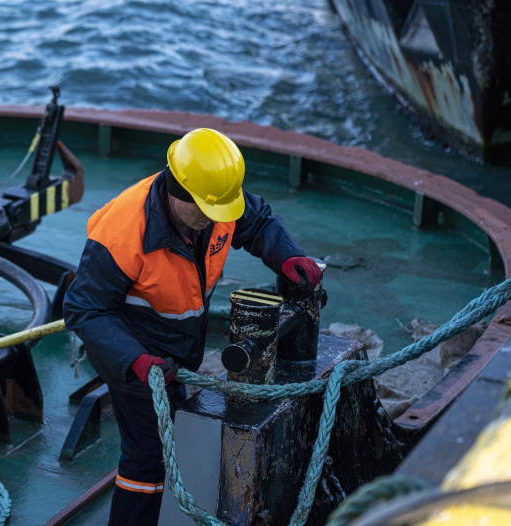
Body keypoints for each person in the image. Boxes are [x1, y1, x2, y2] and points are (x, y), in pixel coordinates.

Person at [63, 128, 321, 525]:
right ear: (176, 188)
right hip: (137, 355)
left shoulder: (215, 206)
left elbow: (257, 223)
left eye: (218, 211)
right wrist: (135, 360)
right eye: (203, 209)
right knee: (147, 456)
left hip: (178, 350)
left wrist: (288, 257)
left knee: (171, 439)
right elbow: (84, 308)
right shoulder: (124, 232)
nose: (210, 220)